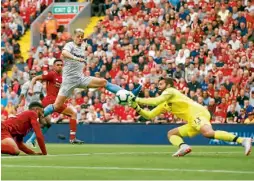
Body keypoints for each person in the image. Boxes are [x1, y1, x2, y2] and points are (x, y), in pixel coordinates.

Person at [129, 77, 252, 157]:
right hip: (192, 120)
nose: (158, 86)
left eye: (161, 84)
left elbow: (155, 101)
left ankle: (242, 140)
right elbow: (149, 115)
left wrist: (136, 98)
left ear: (168, 85)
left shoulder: (171, 91)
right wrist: (135, 106)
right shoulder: (165, 103)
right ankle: (184, 147)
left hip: (197, 113)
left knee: (208, 133)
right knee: (172, 134)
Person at [43, 28, 141, 118]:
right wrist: (76, 58)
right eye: (78, 36)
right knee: (57, 106)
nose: (80, 38)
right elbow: (64, 53)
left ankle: (129, 94)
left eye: (82, 36)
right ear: (74, 37)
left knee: (104, 82)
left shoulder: (83, 46)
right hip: (68, 81)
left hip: (80, 78)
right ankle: (39, 116)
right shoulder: (70, 45)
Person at [26, 59, 83, 146]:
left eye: (61, 65)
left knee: (46, 124)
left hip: (56, 102)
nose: (60, 66)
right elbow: (35, 78)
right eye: (58, 65)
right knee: (72, 113)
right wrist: (30, 88)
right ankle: (72, 138)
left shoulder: (63, 77)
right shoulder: (51, 74)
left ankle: (30, 140)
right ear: (53, 66)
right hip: (50, 101)